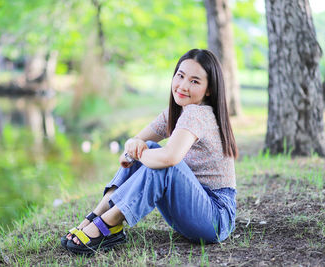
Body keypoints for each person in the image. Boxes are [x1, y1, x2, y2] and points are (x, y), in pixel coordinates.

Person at [61, 48, 238, 254]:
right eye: (180, 76)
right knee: (151, 149)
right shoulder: (176, 111)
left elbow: (170, 158)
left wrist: (138, 152)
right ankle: (98, 215)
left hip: (215, 218)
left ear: (209, 90)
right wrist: (133, 148)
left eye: (195, 81)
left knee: (163, 161)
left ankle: (108, 224)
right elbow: (133, 146)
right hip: (194, 211)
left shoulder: (198, 114)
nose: (183, 86)